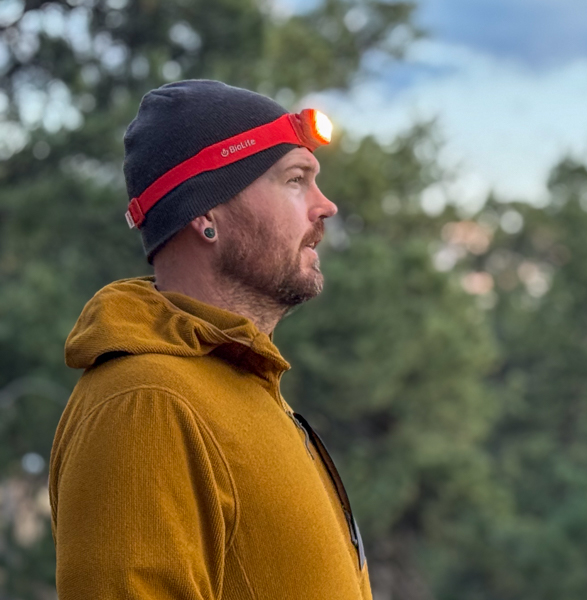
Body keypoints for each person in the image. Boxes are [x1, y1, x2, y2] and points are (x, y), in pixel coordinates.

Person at [48, 80, 370, 599]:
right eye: (295, 180)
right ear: (206, 213)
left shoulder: (244, 390)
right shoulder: (147, 404)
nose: (325, 206)